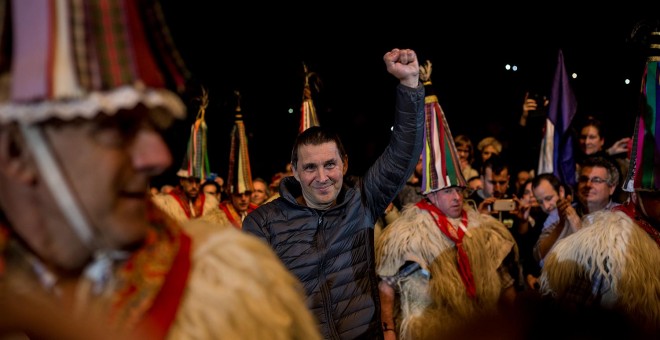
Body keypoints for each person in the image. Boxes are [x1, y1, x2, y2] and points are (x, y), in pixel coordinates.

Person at [0, 2, 321, 339]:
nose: (160, 157)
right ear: (16, 153)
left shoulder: (221, 300)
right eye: (119, 127)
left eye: (153, 124)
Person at [243, 48, 425, 339]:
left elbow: (403, 153)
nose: (322, 177)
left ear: (345, 164)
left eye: (330, 164)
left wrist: (410, 84)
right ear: (295, 170)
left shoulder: (362, 201)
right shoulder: (262, 222)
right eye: (310, 167)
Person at [375, 61, 517, 338]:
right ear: (430, 194)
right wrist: (389, 330)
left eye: (459, 190)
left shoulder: (481, 228)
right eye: (448, 191)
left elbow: (505, 281)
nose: (456, 197)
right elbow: (386, 285)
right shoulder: (406, 233)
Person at [539, 31, 660, 336]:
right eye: (584, 179)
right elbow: (570, 308)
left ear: (613, 186)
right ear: (640, 192)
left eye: (597, 180)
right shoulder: (604, 241)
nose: (588, 185)